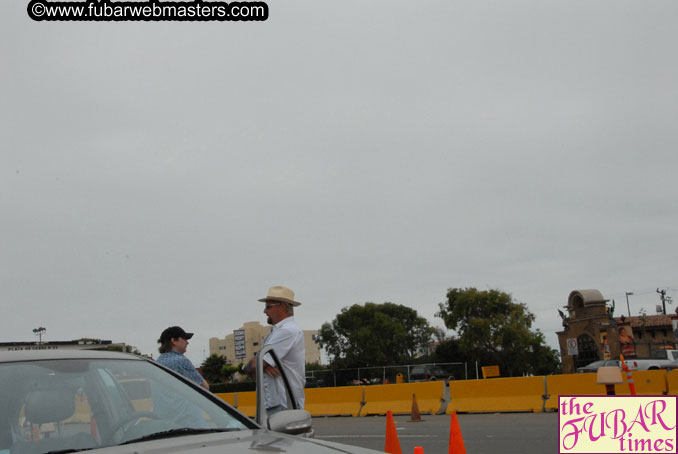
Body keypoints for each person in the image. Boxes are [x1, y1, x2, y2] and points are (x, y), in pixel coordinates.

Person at [245, 286, 305, 416]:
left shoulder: (286, 331)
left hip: (282, 405)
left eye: (268, 306)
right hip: (275, 403)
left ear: (282, 306)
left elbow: (254, 366)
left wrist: (260, 365)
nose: (265, 311)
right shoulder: (277, 331)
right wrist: (262, 366)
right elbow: (255, 367)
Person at [156, 326, 209, 390]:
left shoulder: (158, 362)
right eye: (184, 339)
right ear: (174, 341)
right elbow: (204, 387)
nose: (187, 342)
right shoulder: (181, 361)